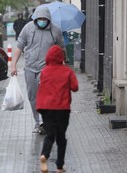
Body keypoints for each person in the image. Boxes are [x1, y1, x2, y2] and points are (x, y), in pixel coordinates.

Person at [10, 7, 64, 133]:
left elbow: (61, 48)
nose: (42, 21)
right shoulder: (28, 28)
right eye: (39, 19)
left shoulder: (55, 31)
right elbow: (19, 46)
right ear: (35, 19)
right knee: (33, 96)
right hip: (30, 68)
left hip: (47, 69)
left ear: (48, 19)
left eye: (44, 19)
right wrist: (13, 65)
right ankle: (38, 122)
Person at [36, 45, 78, 173]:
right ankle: (59, 166)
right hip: (62, 108)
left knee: (50, 135)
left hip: (45, 108)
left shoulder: (44, 71)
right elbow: (75, 87)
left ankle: (44, 155)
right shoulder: (67, 71)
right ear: (62, 58)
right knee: (61, 137)